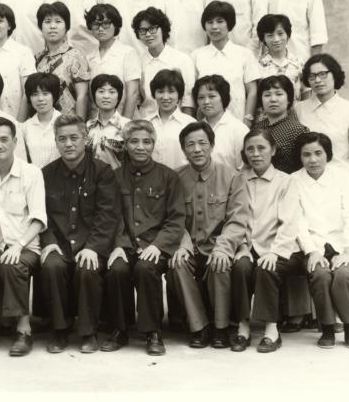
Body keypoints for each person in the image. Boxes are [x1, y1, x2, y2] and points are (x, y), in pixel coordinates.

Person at [39, 114, 119, 354]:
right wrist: (49, 241)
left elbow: (107, 215)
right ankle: (60, 329)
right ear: (55, 142)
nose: (68, 144)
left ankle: (88, 332)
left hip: (91, 242)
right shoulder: (45, 174)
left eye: (74, 138)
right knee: (52, 266)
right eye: (62, 139)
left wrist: (93, 248)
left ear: (85, 139)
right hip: (60, 243)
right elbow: (41, 214)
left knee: (87, 268)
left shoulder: (103, 172)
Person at [103, 119, 185, 356]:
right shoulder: (114, 177)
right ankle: (120, 329)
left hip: (156, 246)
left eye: (147, 142)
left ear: (153, 145)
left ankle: (152, 331)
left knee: (146, 269)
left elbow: (176, 219)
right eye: (134, 141)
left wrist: (158, 246)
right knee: (117, 269)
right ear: (125, 145)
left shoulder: (168, 177)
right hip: (125, 244)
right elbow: (111, 216)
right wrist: (119, 245)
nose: (140, 147)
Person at [0, 116, 46, 357]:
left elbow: (38, 218)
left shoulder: (31, 173)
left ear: (15, 142)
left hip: (26, 245)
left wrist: (18, 245)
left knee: (12, 264)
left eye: (4, 139)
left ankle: (23, 330)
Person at [169, 121, 244, 349]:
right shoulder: (175, 178)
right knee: (177, 265)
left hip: (218, 245)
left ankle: (221, 328)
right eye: (190, 145)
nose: (197, 149)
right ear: (183, 150)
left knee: (220, 263)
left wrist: (223, 248)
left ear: (212, 145)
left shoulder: (231, 176)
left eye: (202, 143)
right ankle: (199, 327)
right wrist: (182, 244)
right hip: (190, 247)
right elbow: (173, 217)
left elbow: (237, 219)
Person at [289, 132, 349, 349]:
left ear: (327, 154)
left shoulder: (342, 177)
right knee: (321, 274)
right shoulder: (294, 180)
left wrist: (348, 250)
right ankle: (327, 328)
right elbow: (297, 221)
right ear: (300, 157)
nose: (313, 159)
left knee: (343, 274)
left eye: (318, 153)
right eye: (306, 155)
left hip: (344, 244)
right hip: (313, 245)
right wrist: (312, 251)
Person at [229, 129, 302, 353]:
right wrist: (242, 246)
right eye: (250, 149)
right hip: (248, 245)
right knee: (240, 267)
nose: (255, 153)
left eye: (261, 148)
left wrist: (274, 251)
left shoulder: (286, 181)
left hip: (279, 247)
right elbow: (235, 216)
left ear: (273, 150)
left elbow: (290, 221)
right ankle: (243, 326)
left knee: (267, 268)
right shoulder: (239, 179)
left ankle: (271, 330)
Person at [296, 54, 349, 215]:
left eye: (323, 74)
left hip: (342, 183)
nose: (318, 80)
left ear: (334, 75)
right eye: (312, 76)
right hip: (308, 184)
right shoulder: (299, 110)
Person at [191, 0, 259, 124]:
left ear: (229, 24)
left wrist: (247, 119)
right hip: (205, 124)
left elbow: (252, 91)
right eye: (209, 22)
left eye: (220, 21)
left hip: (238, 122)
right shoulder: (197, 55)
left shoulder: (244, 54)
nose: (214, 27)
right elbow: (191, 92)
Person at [133, 6, 196, 118]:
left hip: (177, 122)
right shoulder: (137, 62)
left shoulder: (182, 60)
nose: (148, 34)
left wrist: (186, 125)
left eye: (152, 28)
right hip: (146, 122)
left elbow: (188, 100)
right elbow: (136, 100)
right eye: (142, 31)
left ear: (163, 29)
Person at [34, 1, 90, 117]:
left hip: (69, 122)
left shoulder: (76, 55)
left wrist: (79, 124)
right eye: (47, 22)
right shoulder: (37, 58)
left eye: (58, 21)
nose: (52, 26)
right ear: (41, 27)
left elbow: (82, 96)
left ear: (66, 27)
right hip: (42, 122)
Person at [0, 2, 35, 120]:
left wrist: (18, 124)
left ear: (9, 25)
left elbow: (28, 93)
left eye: (0, 21)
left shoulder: (23, 52)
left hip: (16, 119)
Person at [84, 3, 140, 115]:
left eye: (106, 24)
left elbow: (133, 93)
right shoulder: (88, 57)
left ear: (115, 25)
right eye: (96, 24)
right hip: (96, 119)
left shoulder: (128, 53)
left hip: (123, 117)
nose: (100, 29)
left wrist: (125, 122)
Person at [254, 75, 310, 174]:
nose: (273, 99)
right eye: (267, 95)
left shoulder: (298, 130)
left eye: (279, 94)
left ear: (289, 99)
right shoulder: (257, 127)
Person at [193, 74, 248, 171]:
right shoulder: (195, 129)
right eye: (201, 97)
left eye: (212, 96)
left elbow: (245, 169)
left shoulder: (239, 129)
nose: (206, 102)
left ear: (223, 98)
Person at [146, 69, 195, 171]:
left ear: (179, 94)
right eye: (160, 91)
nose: (165, 97)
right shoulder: (145, 123)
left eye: (171, 91)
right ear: (154, 94)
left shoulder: (190, 124)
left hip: (180, 179)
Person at [84, 74, 130, 170]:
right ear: (94, 95)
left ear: (119, 97)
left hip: (118, 177)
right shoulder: (88, 126)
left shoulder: (127, 126)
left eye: (112, 92)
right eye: (101, 91)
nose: (106, 96)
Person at [255, 13, 306, 99]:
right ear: (263, 38)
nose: (276, 39)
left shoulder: (299, 63)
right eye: (270, 35)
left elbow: (306, 92)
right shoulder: (257, 65)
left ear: (287, 35)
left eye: (280, 34)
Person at [22, 72, 61, 167]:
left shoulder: (65, 122)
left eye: (45, 93)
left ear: (54, 96)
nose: (40, 99)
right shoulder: (25, 127)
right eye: (35, 94)